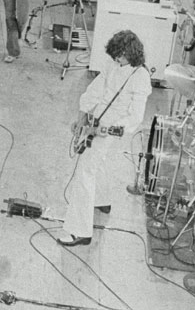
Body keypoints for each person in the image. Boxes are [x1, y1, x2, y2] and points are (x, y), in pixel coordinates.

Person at [58, 30, 151, 247]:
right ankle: (103, 201)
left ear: (130, 53)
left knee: (84, 174)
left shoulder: (141, 77)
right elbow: (95, 90)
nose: (116, 59)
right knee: (97, 165)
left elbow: (135, 118)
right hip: (95, 122)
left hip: (111, 130)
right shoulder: (113, 64)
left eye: (120, 56)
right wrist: (82, 116)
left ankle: (79, 231)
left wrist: (108, 130)